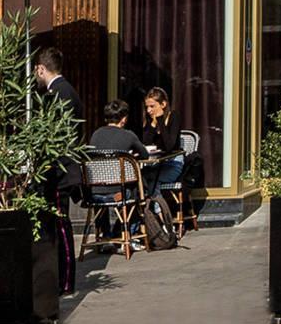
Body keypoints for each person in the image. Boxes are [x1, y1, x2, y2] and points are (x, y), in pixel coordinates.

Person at [86, 100, 173, 250]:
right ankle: (126, 235)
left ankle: (105, 236)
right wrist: (129, 156)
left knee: (103, 201)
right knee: (140, 193)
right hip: (119, 193)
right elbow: (145, 154)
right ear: (124, 118)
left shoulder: (96, 134)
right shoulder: (128, 135)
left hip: (94, 192)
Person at [32, 47, 82, 293]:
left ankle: (65, 280)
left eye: (36, 70)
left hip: (59, 170)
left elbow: (58, 135)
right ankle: (62, 277)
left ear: (41, 68)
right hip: (62, 168)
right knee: (59, 222)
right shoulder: (65, 90)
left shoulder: (59, 93)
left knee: (61, 223)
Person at [139, 87, 204, 229]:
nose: (149, 110)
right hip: (156, 164)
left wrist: (160, 121)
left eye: (152, 106)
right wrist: (153, 125)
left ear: (163, 104)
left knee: (151, 181)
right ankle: (159, 222)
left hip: (173, 164)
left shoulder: (174, 117)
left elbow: (170, 145)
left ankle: (161, 223)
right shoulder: (150, 121)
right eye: (147, 107)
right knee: (145, 180)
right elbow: (145, 143)